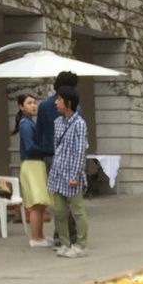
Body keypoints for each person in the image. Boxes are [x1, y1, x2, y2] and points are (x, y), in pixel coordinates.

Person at [48, 87, 88, 256]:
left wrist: (75, 175)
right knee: (59, 211)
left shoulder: (79, 124)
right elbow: (56, 148)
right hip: (57, 173)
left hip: (72, 174)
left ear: (68, 103)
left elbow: (80, 151)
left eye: (59, 99)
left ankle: (80, 245)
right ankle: (64, 243)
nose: (56, 102)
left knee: (77, 211)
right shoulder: (57, 123)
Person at [15, 92, 50, 247]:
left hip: (35, 164)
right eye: (29, 103)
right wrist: (46, 148)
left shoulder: (29, 122)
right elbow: (30, 147)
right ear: (21, 106)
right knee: (36, 203)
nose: (33, 106)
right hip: (32, 164)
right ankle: (35, 238)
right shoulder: (26, 124)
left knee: (41, 202)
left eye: (35, 102)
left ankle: (40, 236)